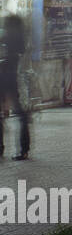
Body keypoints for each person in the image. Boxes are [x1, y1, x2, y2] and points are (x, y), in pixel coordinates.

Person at [0, 14, 31, 159]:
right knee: (20, 115)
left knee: (5, 114)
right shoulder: (19, 39)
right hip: (12, 80)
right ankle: (24, 149)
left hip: (5, 80)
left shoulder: (5, 38)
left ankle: (1, 148)